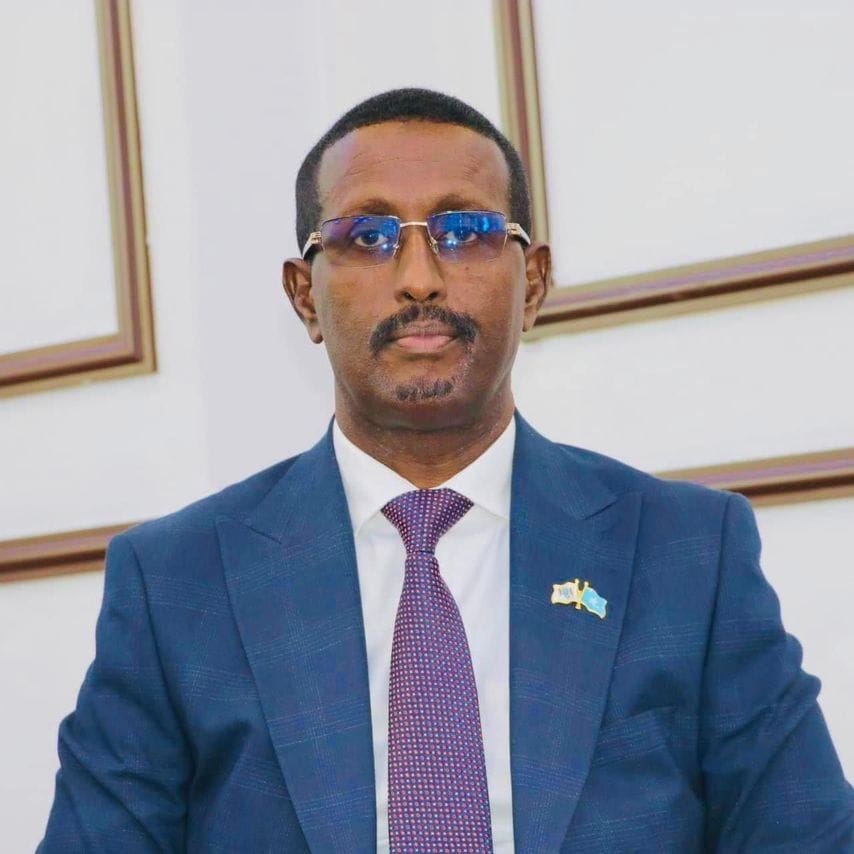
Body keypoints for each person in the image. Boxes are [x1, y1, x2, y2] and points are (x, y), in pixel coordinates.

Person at [40, 88, 852, 853]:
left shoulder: (687, 553)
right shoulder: (178, 581)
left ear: (533, 284)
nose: (420, 277)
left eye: (464, 232)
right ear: (304, 296)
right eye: (367, 237)